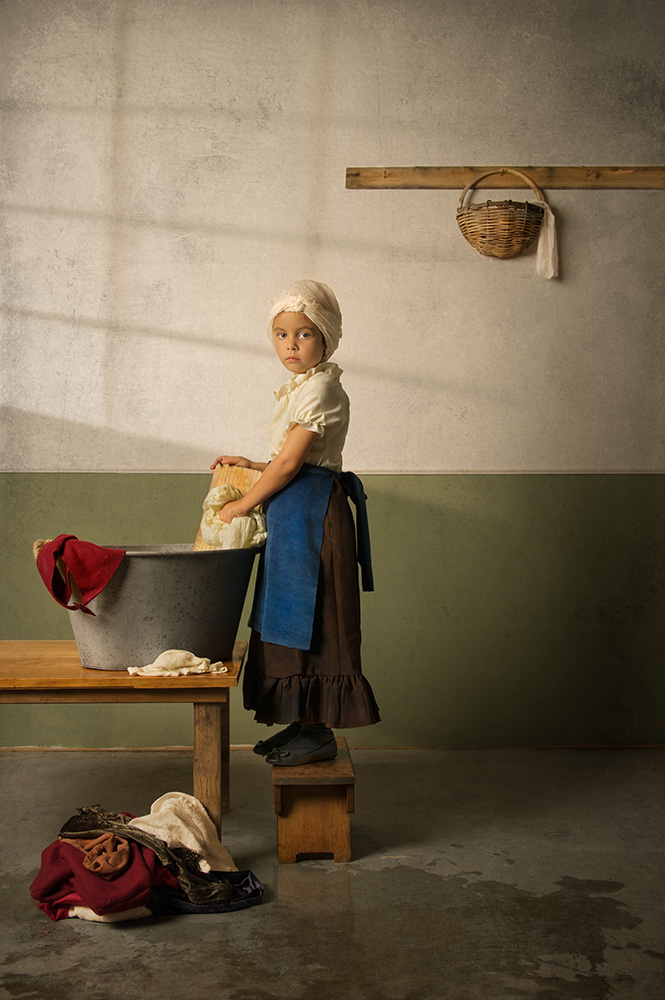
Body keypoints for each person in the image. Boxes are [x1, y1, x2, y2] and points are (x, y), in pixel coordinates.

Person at [210, 279, 380, 766]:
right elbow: (288, 460)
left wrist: (243, 505)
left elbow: (290, 466)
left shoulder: (323, 388)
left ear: (325, 338)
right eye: (281, 334)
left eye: (304, 334)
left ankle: (320, 732)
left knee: (318, 617)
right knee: (287, 618)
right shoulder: (302, 387)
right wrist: (251, 464)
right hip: (292, 515)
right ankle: (303, 724)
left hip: (315, 517)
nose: (291, 345)